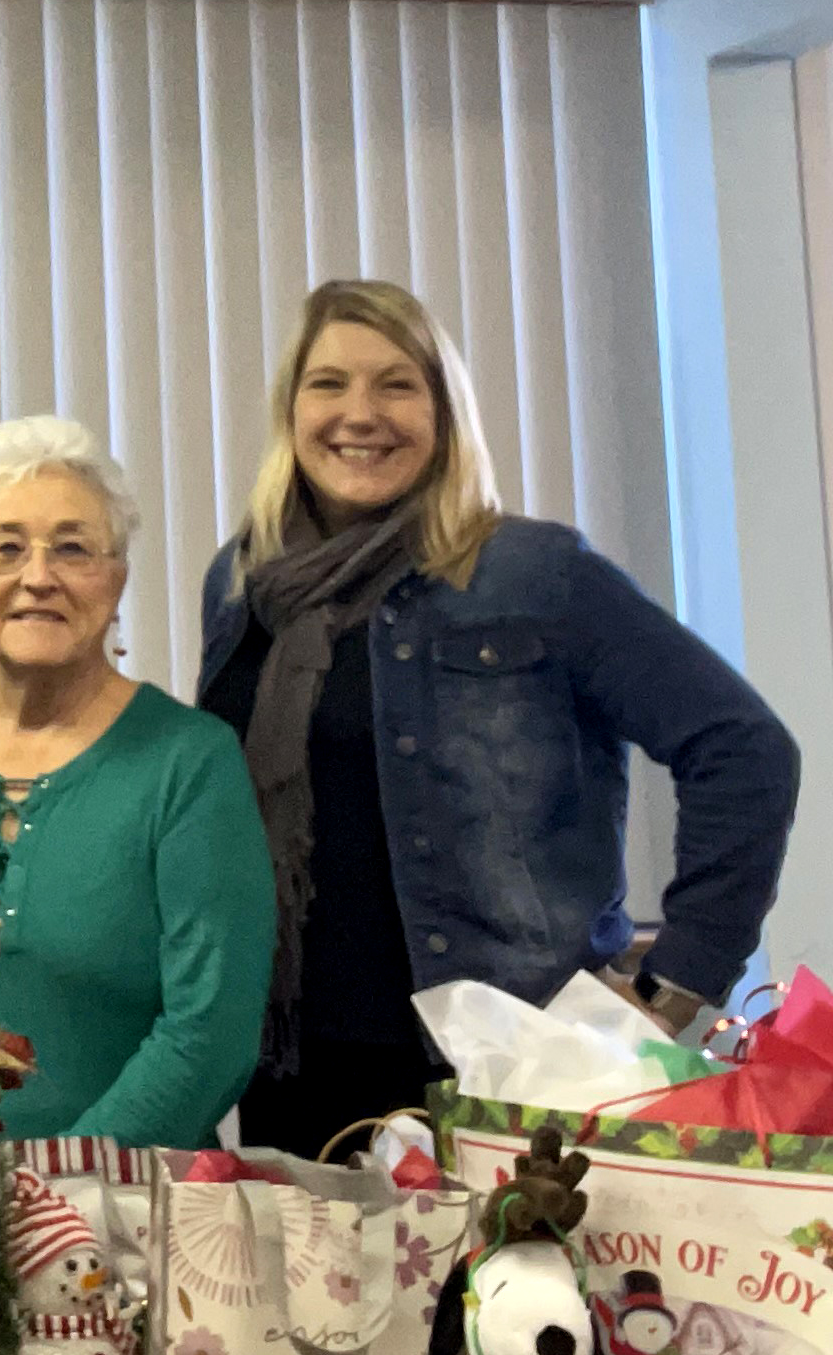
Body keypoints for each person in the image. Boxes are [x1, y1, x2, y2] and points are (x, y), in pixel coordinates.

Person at [199, 278, 801, 1156]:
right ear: (291, 409)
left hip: (512, 1065)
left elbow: (746, 751)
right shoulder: (243, 582)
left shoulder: (531, 573)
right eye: (328, 383)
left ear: (444, 412)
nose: (359, 413)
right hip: (292, 1069)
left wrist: (678, 984)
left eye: (397, 384)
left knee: (511, 1301)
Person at [0, 415, 274, 1147]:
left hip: (127, 1221)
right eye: (6, 548)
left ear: (116, 580)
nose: (38, 576)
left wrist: (63, 1195)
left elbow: (210, 1036)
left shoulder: (190, 762)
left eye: (74, 549)